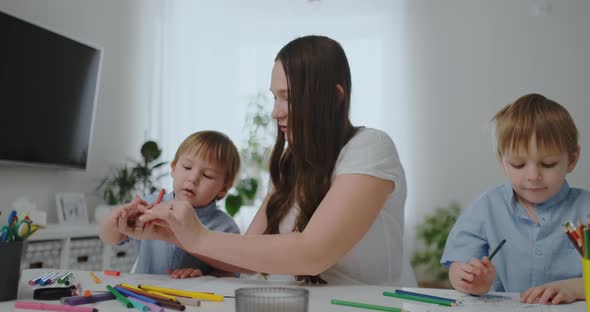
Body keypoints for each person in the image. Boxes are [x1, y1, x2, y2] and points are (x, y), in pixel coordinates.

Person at [117, 35, 412, 286]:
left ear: (334, 98)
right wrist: (171, 233)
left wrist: (197, 237)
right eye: (275, 98)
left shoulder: (370, 148)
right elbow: (247, 257)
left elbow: (313, 253)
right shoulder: (292, 163)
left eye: (289, 98)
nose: (276, 112)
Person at [441, 93, 587, 304]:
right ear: (502, 162)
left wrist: (574, 288)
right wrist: (469, 280)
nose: (533, 176)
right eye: (518, 165)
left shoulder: (586, 209)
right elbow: (458, 267)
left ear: (572, 159)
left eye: (548, 164)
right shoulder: (487, 207)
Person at [99, 130, 241, 278]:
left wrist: (206, 276)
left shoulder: (226, 228)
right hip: (144, 295)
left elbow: (231, 274)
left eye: (207, 175)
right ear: (173, 168)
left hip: (193, 298)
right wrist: (117, 218)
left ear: (223, 189)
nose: (193, 178)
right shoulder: (150, 205)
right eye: (187, 167)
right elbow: (109, 238)